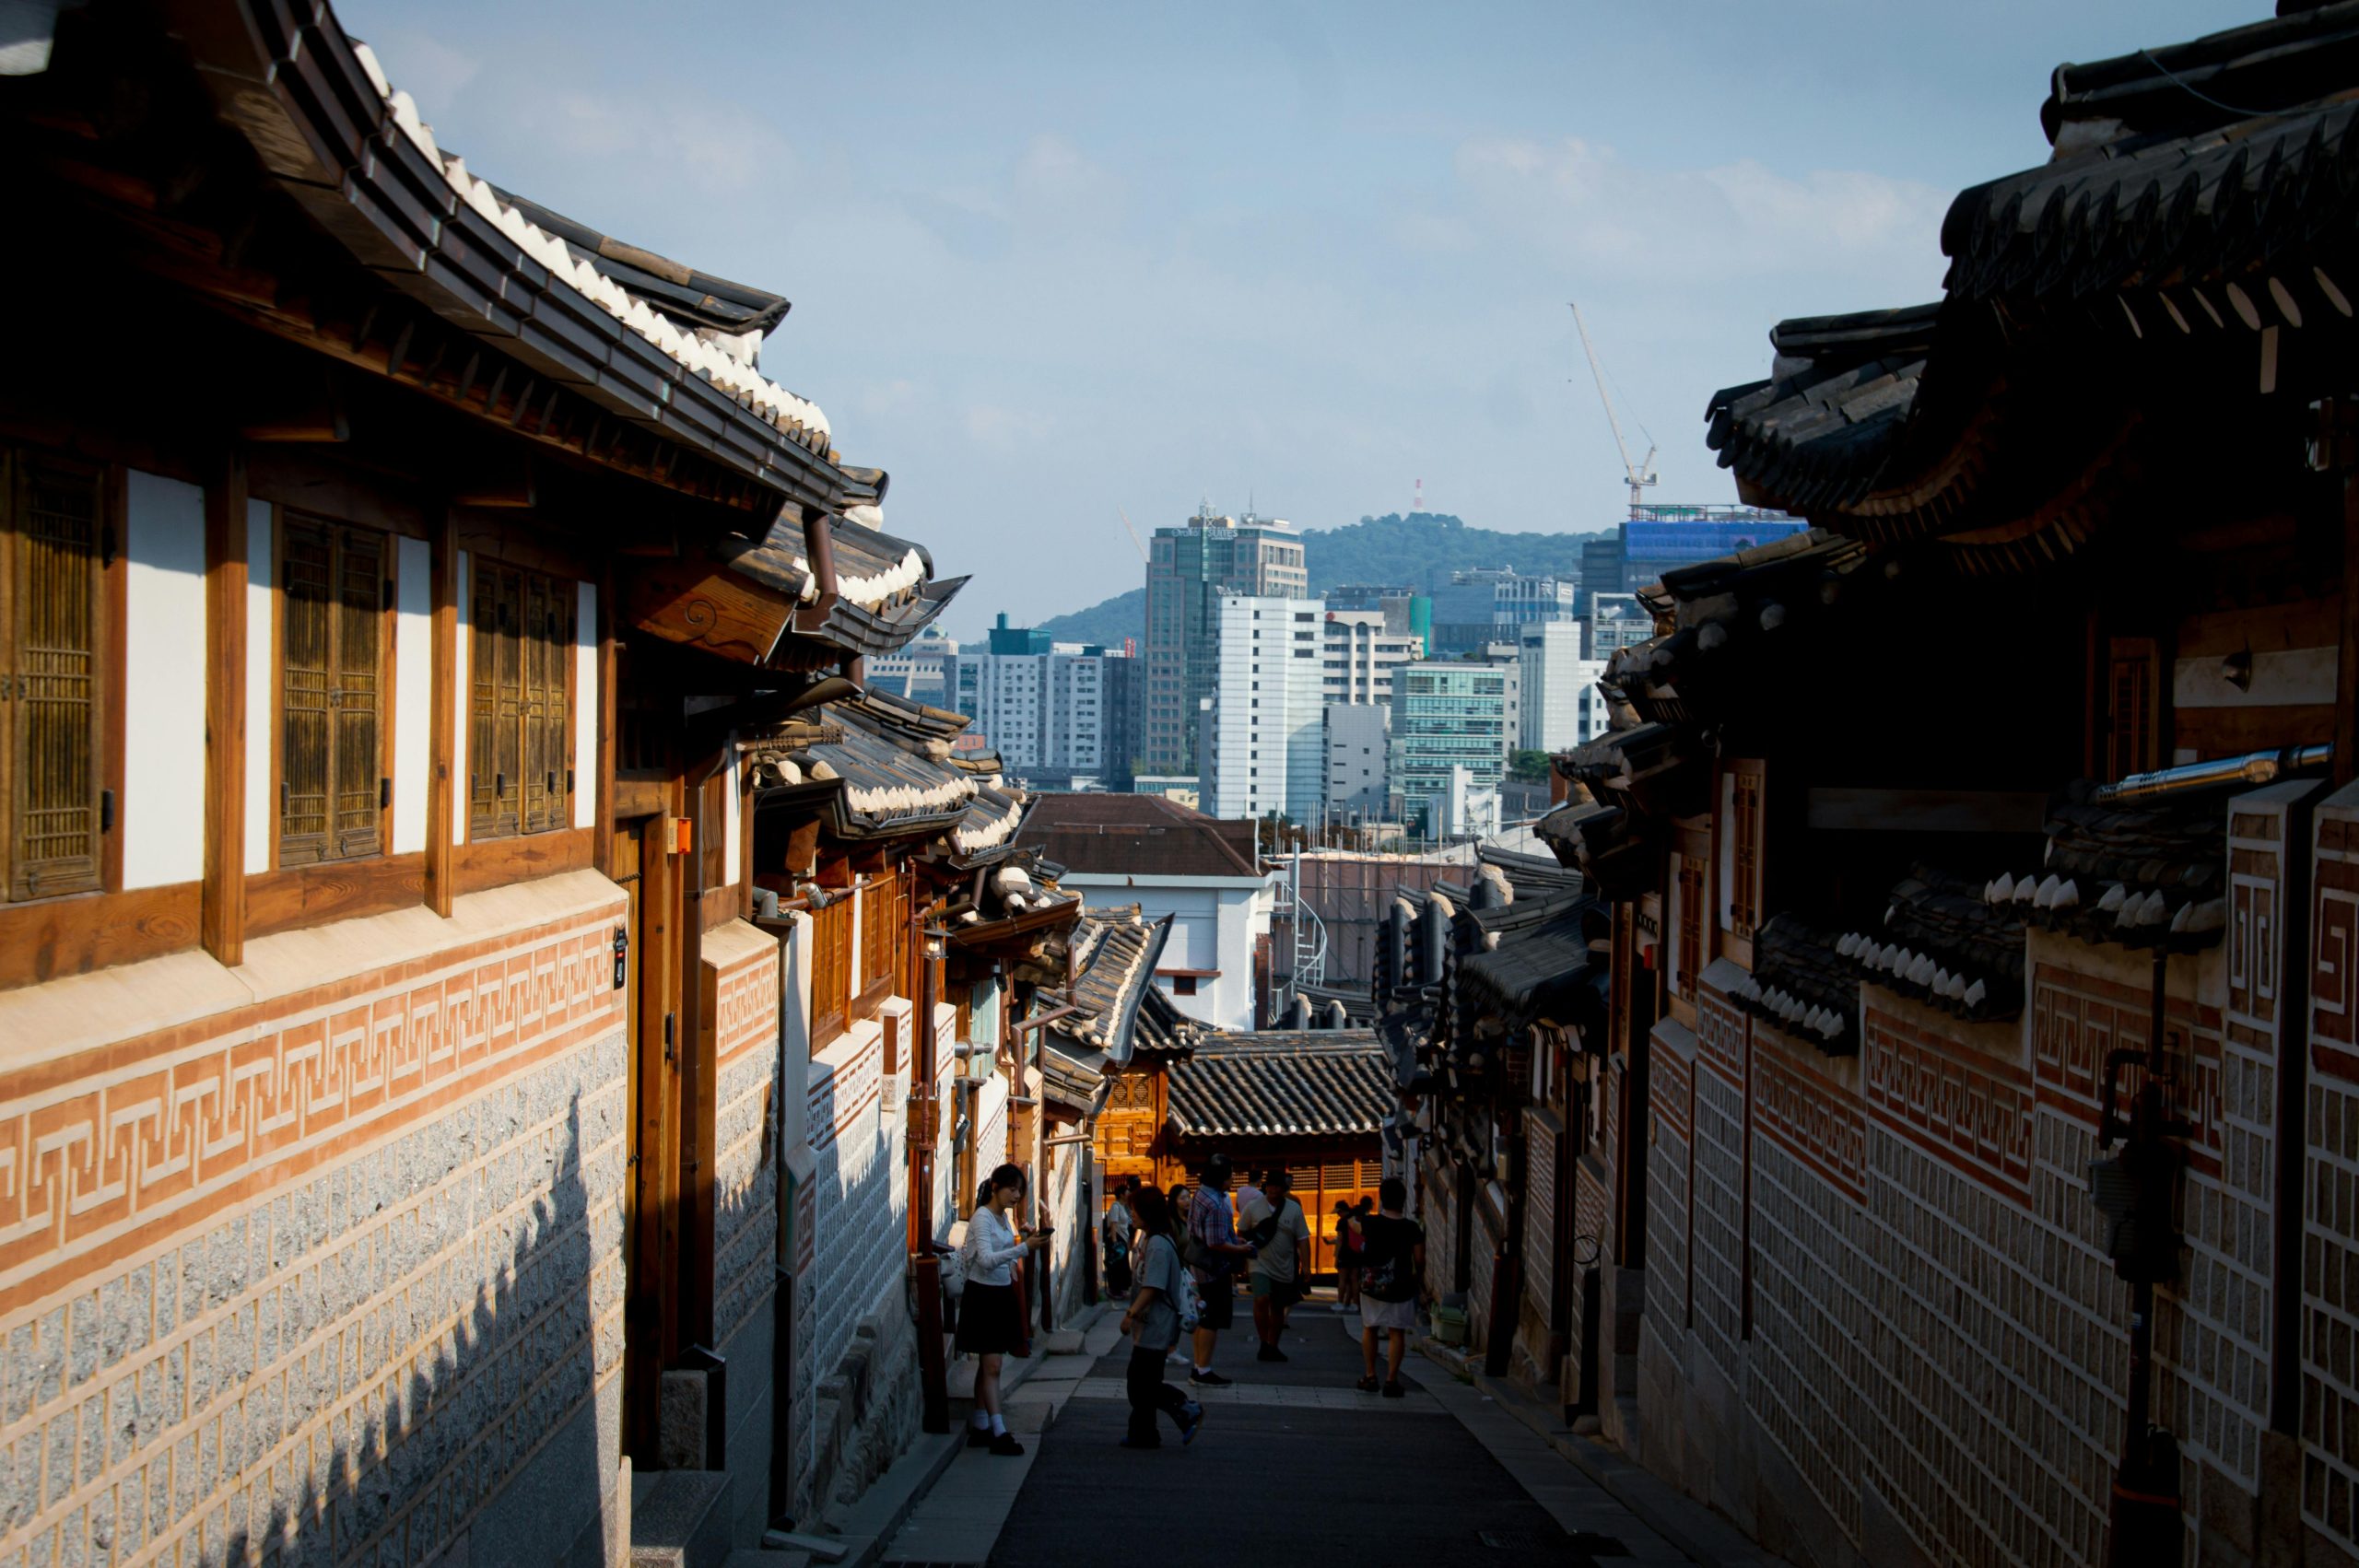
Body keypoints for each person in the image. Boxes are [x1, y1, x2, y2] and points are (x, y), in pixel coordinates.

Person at [957, 1163, 1052, 1453]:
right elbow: (985, 1259)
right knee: (993, 1366)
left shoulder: (1003, 1219)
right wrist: (1025, 1248)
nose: (1016, 1196)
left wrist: (1025, 1240)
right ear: (995, 1187)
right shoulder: (983, 1218)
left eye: (1020, 1191)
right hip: (982, 1295)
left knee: (988, 1365)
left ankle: (981, 1423)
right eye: (1012, 1189)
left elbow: (1002, 1255)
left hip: (999, 1294)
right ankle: (999, 1431)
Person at [1115, 1186, 1204, 1449]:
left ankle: (1185, 1408)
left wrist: (1130, 1315)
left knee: (1141, 1383)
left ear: (1147, 1212)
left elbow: (1153, 1286)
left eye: (1135, 1210)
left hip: (1157, 1323)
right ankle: (1144, 1433)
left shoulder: (1157, 1244)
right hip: (1152, 1324)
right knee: (1143, 1381)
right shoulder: (1156, 1239)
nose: (1132, 1215)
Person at [1183, 1153, 1255, 1387]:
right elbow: (1215, 1242)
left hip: (1198, 1265)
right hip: (1213, 1267)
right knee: (1212, 1320)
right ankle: (1203, 1369)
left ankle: (1198, 1366)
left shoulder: (1201, 1194)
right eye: (1230, 1174)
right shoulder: (1215, 1203)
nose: (1233, 1178)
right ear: (1221, 1177)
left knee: (1203, 1317)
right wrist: (1241, 1249)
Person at [1352, 1177, 1425, 1398]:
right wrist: (1418, 1279)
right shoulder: (1412, 1227)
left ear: (1381, 1199)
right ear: (1403, 1200)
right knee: (1396, 1332)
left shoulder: (1371, 1223)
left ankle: (1370, 1375)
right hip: (1401, 1285)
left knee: (1370, 1327)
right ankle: (1392, 1380)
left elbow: (1353, 1225)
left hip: (1374, 1284)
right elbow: (1420, 1260)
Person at [1245, 1171, 1312, 1361]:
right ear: (1265, 1187)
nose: (1273, 1190)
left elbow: (1302, 1238)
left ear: (1284, 1189)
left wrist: (1306, 1266)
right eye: (1270, 1186)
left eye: (1277, 1186)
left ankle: (1272, 1345)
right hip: (1259, 1261)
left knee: (1278, 1305)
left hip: (1284, 1264)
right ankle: (1263, 1341)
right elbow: (1242, 1230)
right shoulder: (1253, 1207)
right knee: (1261, 1298)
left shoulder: (1294, 1209)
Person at [1102, 1180, 1135, 1297]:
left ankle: (1121, 1289)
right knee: (1117, 1265)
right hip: (1117, 1238)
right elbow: (1113, 1224)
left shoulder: (1123, 1207)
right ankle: (1115, 1289)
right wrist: (1115, 1241)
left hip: (1123, 1238)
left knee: (1122, 1265)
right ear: (1121, 1194)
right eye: (1127, 1192)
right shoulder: (1115, 1206)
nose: (1129, 1193)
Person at [1331, 1199, 1360, 1313]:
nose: (1338, 1215)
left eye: (1338, 1212)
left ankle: (1340, 1302)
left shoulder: (1342, 1222)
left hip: (1345, 1253)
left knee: (1342, 1279)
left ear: (1341, 1211)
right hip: (1357, 1253)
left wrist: (1336, 1256)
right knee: (1354, 1279)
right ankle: (1355, 1304)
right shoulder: (1356, 1219)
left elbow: (1340, 1240)